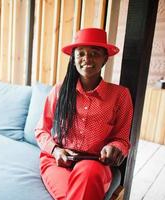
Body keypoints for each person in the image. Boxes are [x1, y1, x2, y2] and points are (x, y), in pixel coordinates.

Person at [35, 28, 133, 200]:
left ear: (105, 59)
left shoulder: (120, 95)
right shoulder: (59, 91)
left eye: (95, 53)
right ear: (74, 59)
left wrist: (114, 148)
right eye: (81, 54)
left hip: (95, 163)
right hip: (58, 160)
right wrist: (56, 150)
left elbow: (122, 139)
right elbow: (41, 131)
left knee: (89, 176)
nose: (87, 59)